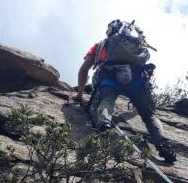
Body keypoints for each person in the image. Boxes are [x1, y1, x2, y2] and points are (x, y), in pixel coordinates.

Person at [69, 21, 177, 163]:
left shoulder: (101, 45)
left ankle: (104, 124)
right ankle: (163, 144)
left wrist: (79, 95)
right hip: (136, 80)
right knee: (149, 115)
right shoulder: (136, 45)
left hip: (109, 78)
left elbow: (84, 69)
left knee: (107, 100)